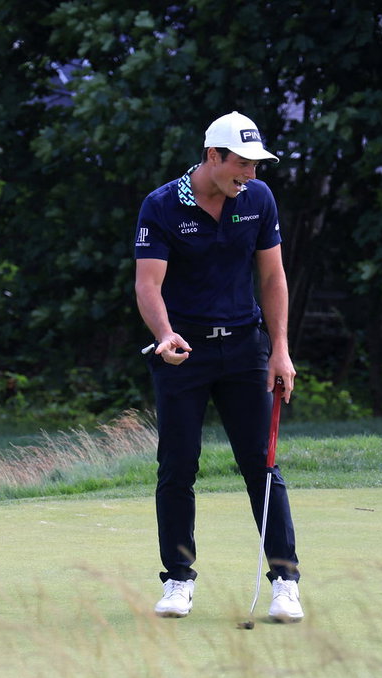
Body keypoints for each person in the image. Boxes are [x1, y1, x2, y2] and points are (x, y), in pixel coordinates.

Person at [133, 110, 303, 622]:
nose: (250, 174)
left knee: (261, 464)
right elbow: (148, 285)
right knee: (178, 466)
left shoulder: (257, 200)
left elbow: (272, 278)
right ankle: (179, 580)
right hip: (182, 353)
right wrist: (164, 336)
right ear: (213, 156)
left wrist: (280, 349)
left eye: (256, 164)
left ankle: (286, 582)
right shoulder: (162, 206)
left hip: (245, 350)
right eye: (243, 164)